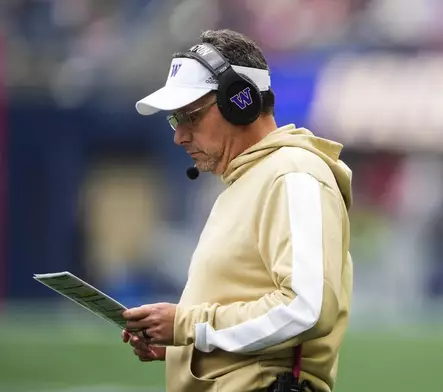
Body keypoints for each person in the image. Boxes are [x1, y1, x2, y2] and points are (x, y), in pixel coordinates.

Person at [120, 29, 354, 392]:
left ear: (239, 101)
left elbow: (306, 309)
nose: (179, 136)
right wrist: (187, 347)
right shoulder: (255, 179)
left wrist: (188, 326)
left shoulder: (292, 173)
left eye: (189, 116)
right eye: (174, 120)